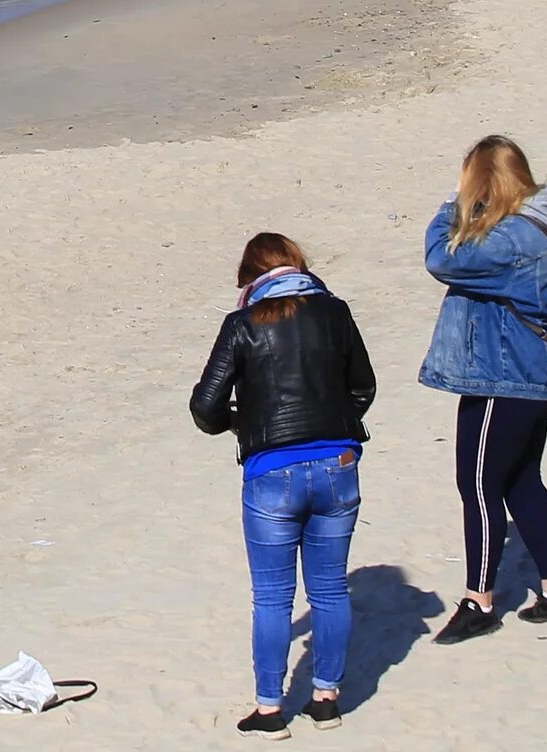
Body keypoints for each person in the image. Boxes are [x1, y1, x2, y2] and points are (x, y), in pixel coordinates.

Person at [191, 232, 377, 733]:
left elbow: (204, 407)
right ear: (298, 267)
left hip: (271, 472)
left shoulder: (242, 323)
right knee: (330, 589)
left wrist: (241, 423)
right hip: (337, 464)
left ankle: (271, 708)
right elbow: (364, 387)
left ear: (251, 278)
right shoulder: (335, 313)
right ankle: (325, 699)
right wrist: (331, 422)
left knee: (273, 597)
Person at [420, 135, 547, 642]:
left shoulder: (511, 240)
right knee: (521, 481)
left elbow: (440, 257)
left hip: (504, 374)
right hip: (529, 374)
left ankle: (479, 600)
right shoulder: (543, 218)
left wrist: (452, 204)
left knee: (477, 484)